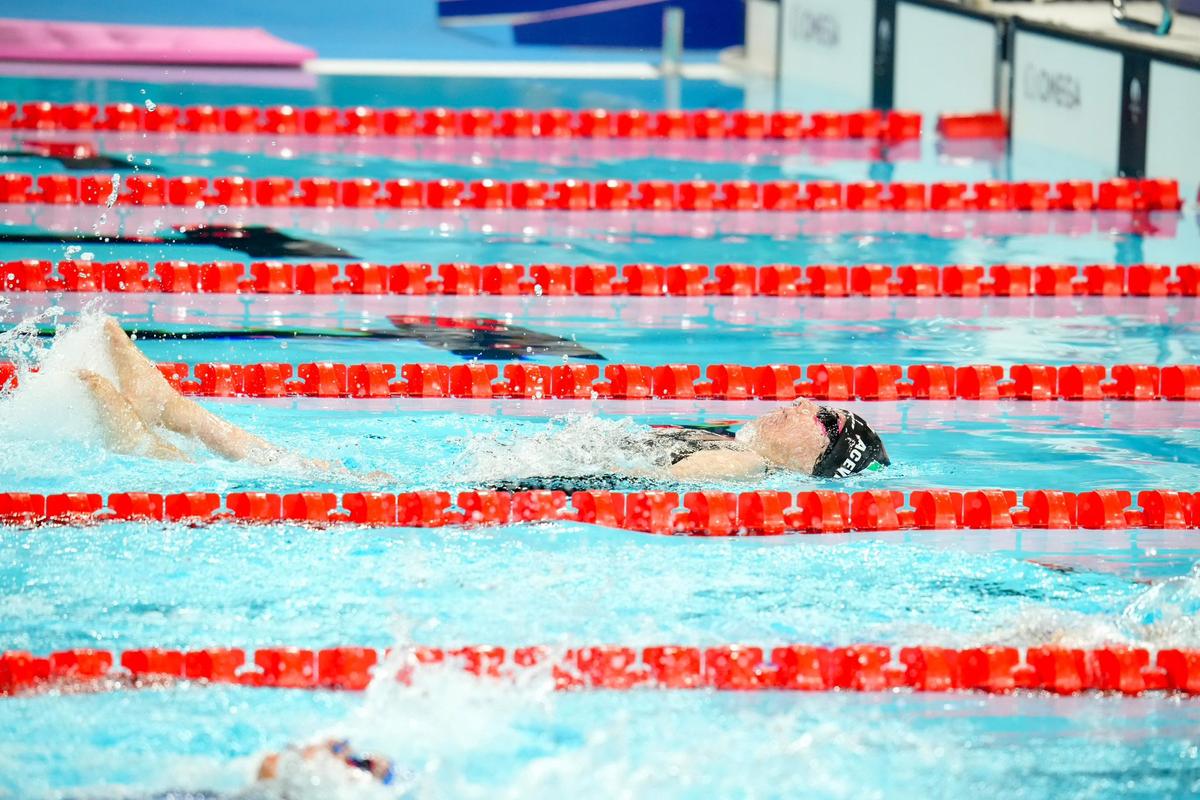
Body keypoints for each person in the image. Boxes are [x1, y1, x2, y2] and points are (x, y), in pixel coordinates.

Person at [78, 316, 889, 481]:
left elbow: (639, 489)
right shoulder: (737, 446)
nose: (806, 404)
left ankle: (160, 437)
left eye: (824, 419)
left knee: (316, 475)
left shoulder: (740, 471)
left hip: (507, 493)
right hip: (511, 477)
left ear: (817, 456)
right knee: (313, 470)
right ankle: (166, 422)